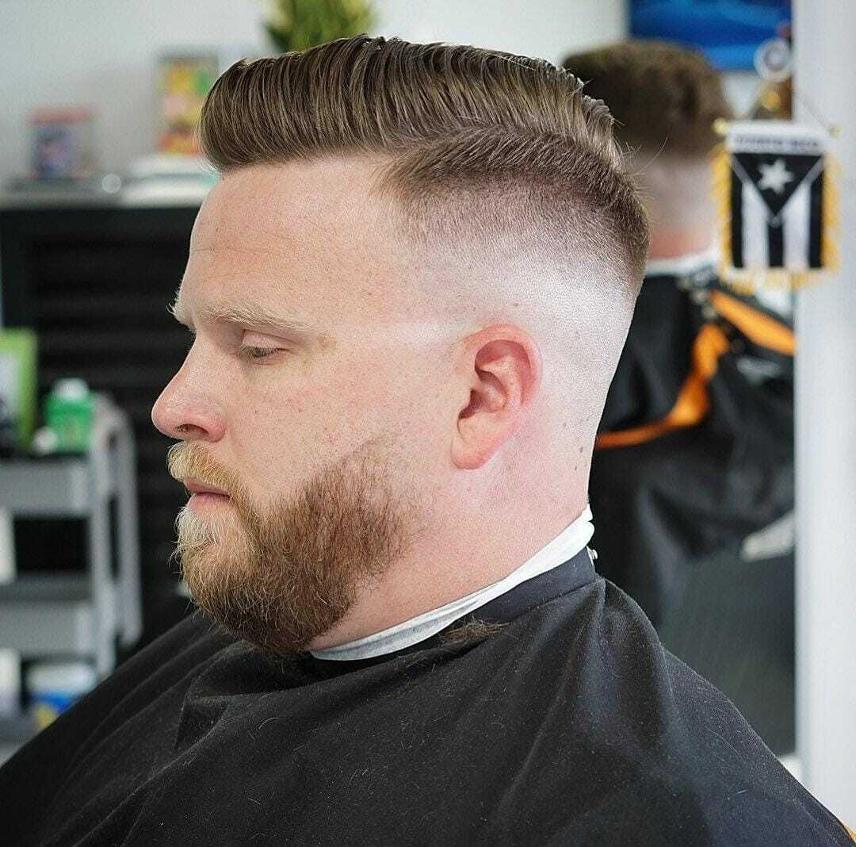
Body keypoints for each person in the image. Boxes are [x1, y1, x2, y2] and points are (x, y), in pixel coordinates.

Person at [0, 36, 850, 846]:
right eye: (194, 337)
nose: (172, 405)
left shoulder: (673, 817)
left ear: (481, 397)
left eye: (257, 347)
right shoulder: (261, 602)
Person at [563, 40, 798, 752]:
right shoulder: (790, 348)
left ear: (578, 175)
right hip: (758, 738)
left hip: (592, 728)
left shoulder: (568, 360)